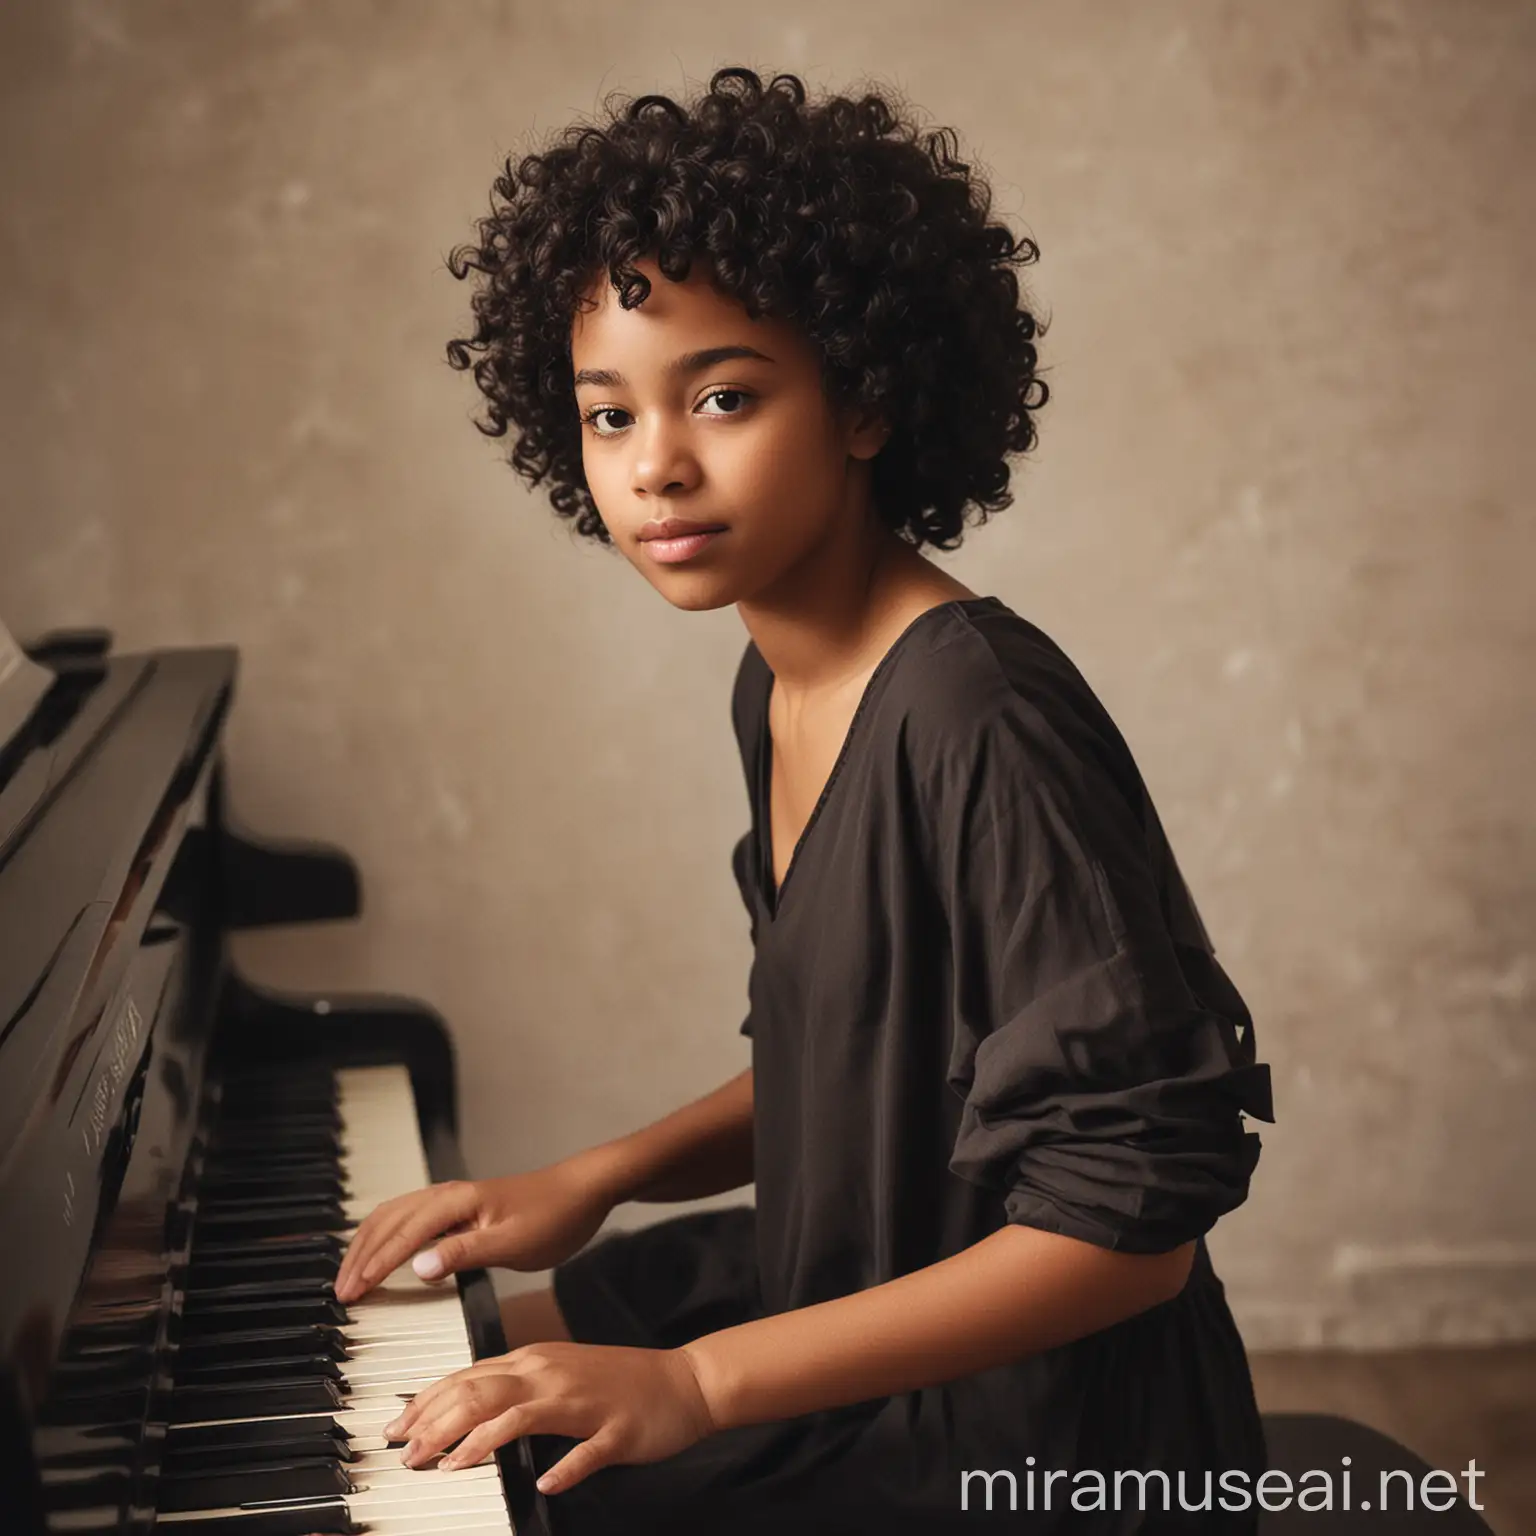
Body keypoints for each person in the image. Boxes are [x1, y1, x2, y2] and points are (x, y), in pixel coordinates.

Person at [333, 66, 1276, 1535]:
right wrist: (605, 1176)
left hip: (1028, 1437)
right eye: (605, 415)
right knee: (453, 1382)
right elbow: (875, 1070)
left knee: (509, 1483)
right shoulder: (774, 683)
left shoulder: (984, 717)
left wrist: (700, 1389)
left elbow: (1132, 1239)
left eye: (723, 396)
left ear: (866, 398)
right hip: (855, 1279)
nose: (654, 467)